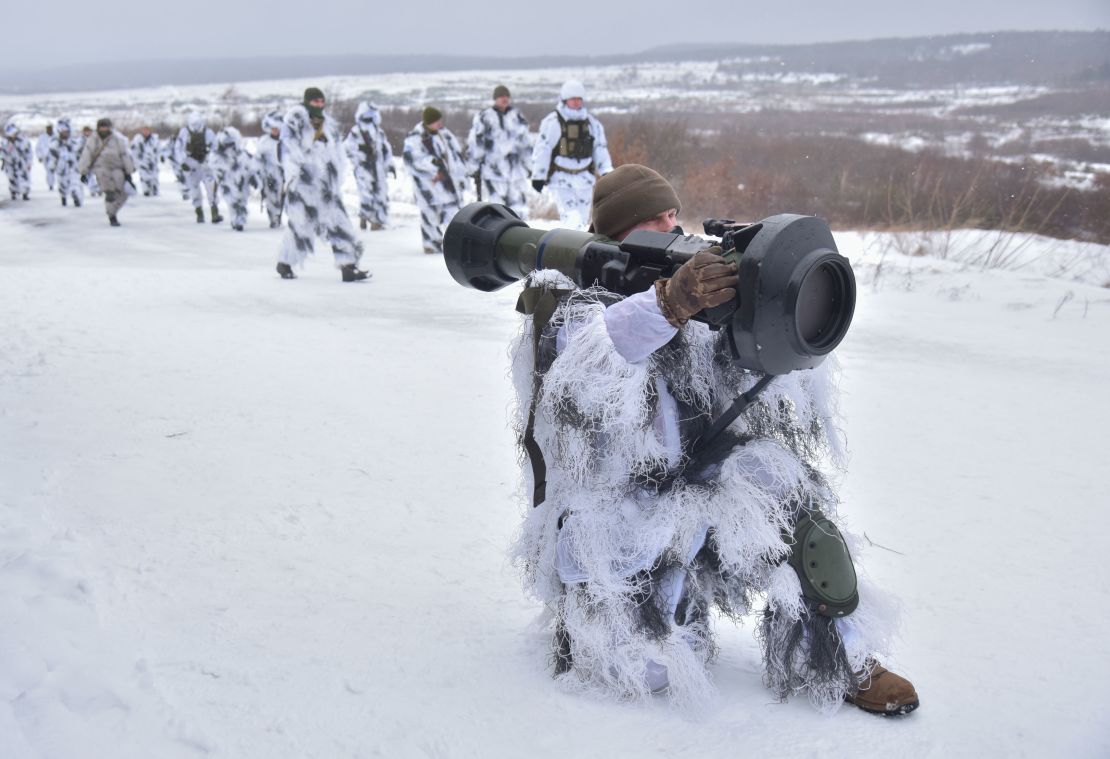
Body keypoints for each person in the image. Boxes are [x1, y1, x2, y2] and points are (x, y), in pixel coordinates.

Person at [509, 164, 918, 715]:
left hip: (700, 481)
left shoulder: (696, 282)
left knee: (788, 496)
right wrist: (668, 306)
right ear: (615, 233)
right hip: (617, 514)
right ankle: (616, 619)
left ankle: (845, 657)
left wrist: (766, 291)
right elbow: (585, 374)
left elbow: (760, 381)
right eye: (651, 218)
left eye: (672, 212)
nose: (669, 224)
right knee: (645, 671)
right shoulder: (571, 303)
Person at [276, 86, 368, 282]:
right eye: (315, 101)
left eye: (321, 101)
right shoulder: (295, 121)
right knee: (301, 226)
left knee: (339, 223)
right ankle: (285, 262)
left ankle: (348, 266)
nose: (319, 104)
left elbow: (336, 151)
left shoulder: (328, 125)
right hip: (303, 184)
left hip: (326, 185)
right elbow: (288, 149)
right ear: (307, 101)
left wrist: (336, 174)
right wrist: (293, 173)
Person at [530, 80, 613, 229]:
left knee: (583, 219)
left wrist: (606, 170)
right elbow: (543, 149)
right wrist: (538, 175)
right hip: (562, 179)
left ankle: (580, 246)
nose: (576, 102)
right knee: (571, 218)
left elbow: (599, 148)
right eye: (573, 99)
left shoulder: (591, 123)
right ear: (565, 100)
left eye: (579, 99)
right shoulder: (553, 122)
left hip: (585, 180)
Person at [402, 106, 467, 254]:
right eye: (436, 121)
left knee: (453, 214)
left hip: (449, 184)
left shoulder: (445, 135)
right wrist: (433, 165)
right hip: (428, 186)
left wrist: (461, 175)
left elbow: (455, 157)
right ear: (428, 122)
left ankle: (455, 242)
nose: (439, 123)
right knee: (430, 216)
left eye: (440, 120)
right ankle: (431, 244)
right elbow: (412, 160)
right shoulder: (415, 138)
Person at [466, 85, 531, 218]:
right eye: (501, 96)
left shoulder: (517, 116)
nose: (504, 99)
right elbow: (476, 144)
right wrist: (473, 166)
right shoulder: (485, 117)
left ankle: (519, 236)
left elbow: (526, 144)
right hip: (494, 171)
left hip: (515, 172)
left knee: (519, 209)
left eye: (507, 96)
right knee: (497, 210)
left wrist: (530, 166)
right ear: (495, 98)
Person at [343, 101, 394, 231]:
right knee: (366, 194)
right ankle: (364, 216)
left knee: (380, 193)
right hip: (363, 167)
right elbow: (348, 148)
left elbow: (386, 149)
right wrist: (362, 153)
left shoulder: (379, 132)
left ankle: (377, 221)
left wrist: (390, 164)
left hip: (378, 167)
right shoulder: (356, 132)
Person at [77, 117, 136, 227]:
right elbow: (87, 155)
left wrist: (129, 171)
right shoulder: (93, 139)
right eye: (102, 127)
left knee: (123, 192)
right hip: (101, 168)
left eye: (106, 127)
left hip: (117, 168)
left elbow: (124, 154)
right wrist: (83, 171)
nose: (104, 129)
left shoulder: (117, 139)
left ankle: (113, 211)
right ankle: (112, 216)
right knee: (110, 193)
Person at [175, 112, 222, 224]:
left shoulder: (208, 133)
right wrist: (182, 162)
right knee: (194, 190)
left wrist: (211, 160)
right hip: (191, 164)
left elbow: (215, 148)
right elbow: (178, 148)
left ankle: (214, 213)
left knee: (211, 188)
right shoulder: (184, 133)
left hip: (206, 163)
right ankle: (199, 213)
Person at [211, 126, 252, 231]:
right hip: (227, 182)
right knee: (232, 202)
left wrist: (254, 178)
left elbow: (251, 166)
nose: (229, 146)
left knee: (242, 201)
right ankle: (236, 220)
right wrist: (221, 172)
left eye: (231, 143)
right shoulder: (218, 155)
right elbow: (214, 166)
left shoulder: (242, 154)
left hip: (242, 182)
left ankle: (240, 220)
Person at [253, 110, 284, 228]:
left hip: (285, 173)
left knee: (283, 198)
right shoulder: (264, 142)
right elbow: (257, 159)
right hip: (270, 174)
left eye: (277, 128)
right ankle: (273, 218)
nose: (275, 130)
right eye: (273, 128)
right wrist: (258, 172)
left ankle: (280, 215)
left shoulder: (287, 140)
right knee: (271, 196)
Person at [49, 118, 84, 208]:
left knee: (75, 185)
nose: (65, 133)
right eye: (63, 131)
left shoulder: (74, 141)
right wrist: (52, 166)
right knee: (62, 185)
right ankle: (63, 197)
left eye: (66, 131)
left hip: (73, 168)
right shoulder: (55, 143)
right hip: (61, 169)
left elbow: (80, 154)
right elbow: (52, 156)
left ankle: (77, 199)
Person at [2, 121, 34, 201]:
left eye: (14, 133)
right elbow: (2, 152)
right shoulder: (5, 142)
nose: (13, 135)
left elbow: (29, 152)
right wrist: (4, 158)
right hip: (10, 163)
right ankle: (13, 192)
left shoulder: (23, 141)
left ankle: (25, 193)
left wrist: (29, 162)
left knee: (25, 178)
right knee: (12, 178)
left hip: (22, 163)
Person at [130, 125, 161, 196]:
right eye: (144, 130)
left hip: (152, 162)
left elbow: (159, 150)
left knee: (154, 178)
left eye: (147, 130)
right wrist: (136, 161)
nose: (145, 132)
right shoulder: (138, 140)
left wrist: (157, 158)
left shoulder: (155, 139)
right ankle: (146, 191)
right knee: (144, 178)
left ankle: (155, 190)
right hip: (142, 162)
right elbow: (134, 151)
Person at [78, 126, 102, 197]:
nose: (87, 133)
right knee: (89, 176)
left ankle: (99, 189)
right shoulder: (81, 140)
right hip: (86, 161)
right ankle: (92, 190)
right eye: (86, 131)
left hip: (96, 160)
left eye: (88, 131)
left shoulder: (96, 139)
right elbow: (78, 150)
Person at [36, 123, 55, 191]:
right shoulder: (42, 137)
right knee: (49, 171)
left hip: (55, 157)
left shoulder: (56, 136)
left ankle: (59, 184)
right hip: (46, 157)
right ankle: (51, 184)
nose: (49, 130)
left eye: (50, 128)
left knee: (56, 171)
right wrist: (39, 156)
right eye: (48, 128)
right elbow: (38, 148)